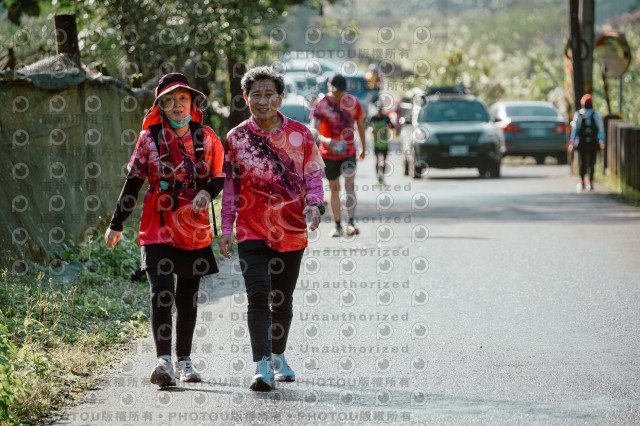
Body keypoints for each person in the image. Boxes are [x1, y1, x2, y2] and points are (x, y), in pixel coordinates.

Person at [105, 73, 225, 388]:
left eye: (183, 98)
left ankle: (184, 360)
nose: (177, 105)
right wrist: (116, 223)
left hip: (194, 228)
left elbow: (218, 177)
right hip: (157, 226)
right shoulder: (149, 139)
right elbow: (133, 182)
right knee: (161, 291)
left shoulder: (207, 137)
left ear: (193, 103)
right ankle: (164, 362)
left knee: (187, 298)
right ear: (160, 106)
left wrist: (206, 192)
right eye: (169, 100)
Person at [218, 66, 324, 392]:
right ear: (245, 98)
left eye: (269, 94)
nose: (262, 101)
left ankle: (278, 355)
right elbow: (230, 186)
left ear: (280, 97)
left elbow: (313, 175)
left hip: (291, 229)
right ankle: (261, 365)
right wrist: (226, 227)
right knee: (258, 295)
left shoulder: (301, 134)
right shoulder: (236, 138)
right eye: (256, 95)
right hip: (250, 229)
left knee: (282, 298)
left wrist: (315, 204)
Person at [311, 73, 366, 237]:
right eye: (335, 92)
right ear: (329, 87)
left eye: (341, 92)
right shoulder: (320, 103)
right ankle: (337, 225)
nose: (338, 95)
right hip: (328, 153)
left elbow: (360, 125)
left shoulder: (353, 102)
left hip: (349, 151)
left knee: (350, 184)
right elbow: (314, 130)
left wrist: (363, 147)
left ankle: (351, 223)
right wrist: (325, 140)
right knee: (334, 188)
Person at [570, 94, 605, 191]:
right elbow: (601, 130)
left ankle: (582, 182)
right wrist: (602, 141)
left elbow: (574, 130)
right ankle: (591, 182)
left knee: (582, 162)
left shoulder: (578, 115)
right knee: (592, 162)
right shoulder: (595, 115)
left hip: (582, 143)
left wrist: (572, 143)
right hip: (593, 143)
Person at [369, 103, 394, 185]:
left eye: (380, 111)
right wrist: (373, 132)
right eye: (378, 111)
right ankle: (378, 178)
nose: (379, 113)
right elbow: (369, 127)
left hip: (384, 143)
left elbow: (392, 126)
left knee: (384, 161)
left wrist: (387, 128)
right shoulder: (373, 118)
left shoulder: (386, 118)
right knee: (376, 161)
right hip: (376, 143)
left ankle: (382, 178)